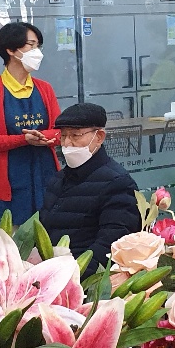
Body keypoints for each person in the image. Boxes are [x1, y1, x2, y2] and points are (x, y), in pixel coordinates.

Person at [38, 103, 141, 272]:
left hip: (84, 277)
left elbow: (111, 246)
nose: (67, 143)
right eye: (63, 136)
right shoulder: (58, 179)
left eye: (75, 135)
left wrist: (72, 275)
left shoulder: (118, 183)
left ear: (99, 137)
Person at [0, 22, 59, 224]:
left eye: (38, 46)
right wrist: (23, 139)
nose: (37, 52)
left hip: (45, 175)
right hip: (9, 185)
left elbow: (60, 132)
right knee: (9, 238)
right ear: (11, 50)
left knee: (48, 236)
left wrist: (42, 137)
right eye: (31, 45)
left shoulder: (45, 89)